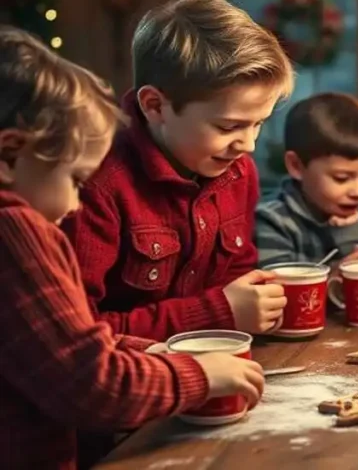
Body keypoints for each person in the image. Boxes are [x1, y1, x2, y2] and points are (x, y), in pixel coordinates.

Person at [0, 26, 263, 470]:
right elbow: (88, 385)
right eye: (76, 181)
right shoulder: (15, 229)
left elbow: (67, 343)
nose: (75, 204)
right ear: (9, 155)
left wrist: (150, 352)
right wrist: (198, 374)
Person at [62, 0, 294, 340]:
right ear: (155, 105)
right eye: (228, 127)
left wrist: (258, 302)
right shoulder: (96, 185)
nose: (248, 145)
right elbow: (78, 335)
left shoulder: (238, 171)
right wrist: (217, 313)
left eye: (258, 123)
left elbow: (238, 275)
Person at [255, 92, 358, 294]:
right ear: (296, 166)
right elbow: (273, 291)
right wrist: (334, 277)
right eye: (342, 178)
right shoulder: (274, 220)